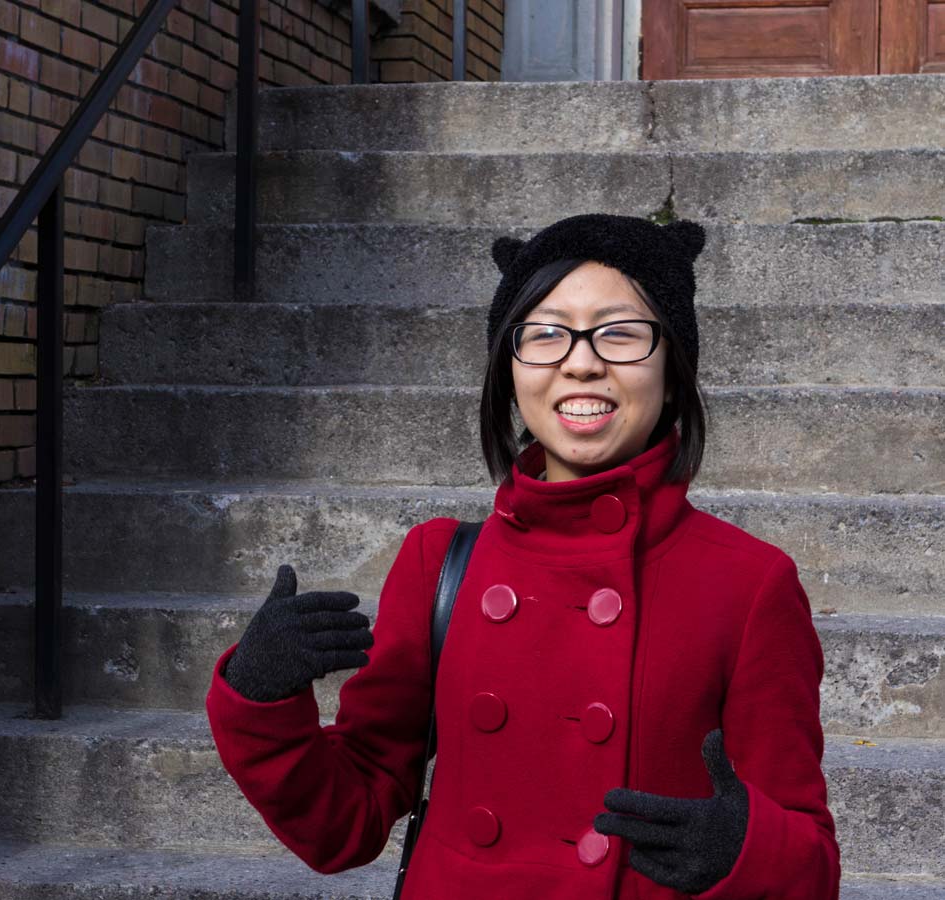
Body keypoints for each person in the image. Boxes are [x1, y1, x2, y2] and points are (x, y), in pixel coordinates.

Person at [205, 213, 840, 899]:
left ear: (672, 365)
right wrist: (261, 700)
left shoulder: (748, 583)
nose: (581, 360)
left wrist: (744, 852)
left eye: (621, 332)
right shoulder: (437, 561)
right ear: (509, 372)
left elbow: (809, 856)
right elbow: (344, 822)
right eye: (543, 333)